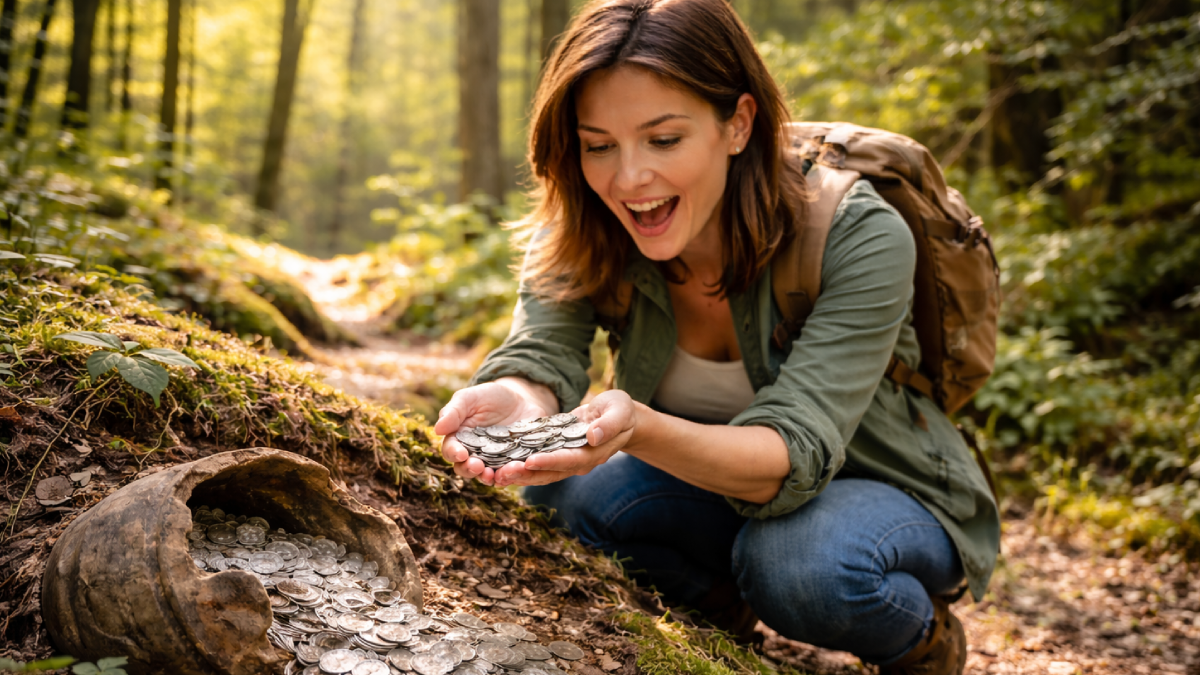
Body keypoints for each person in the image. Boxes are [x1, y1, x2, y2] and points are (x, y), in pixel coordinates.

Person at [433, 1, 1000, 673]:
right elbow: (542, 349)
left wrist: (637, 428)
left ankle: (923, 642)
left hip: (880, 487)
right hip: (711, 490)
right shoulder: (586, 224)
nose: (627, 177)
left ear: (738, 123)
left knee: (796, 563)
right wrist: (516, 402)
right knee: (566, 497)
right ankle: (720, 611)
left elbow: (796, 445)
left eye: (663, 139)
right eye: (598, 145)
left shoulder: (859, 234)